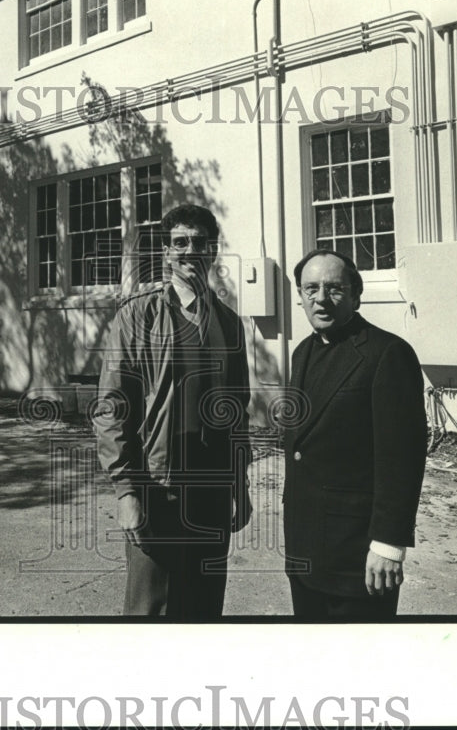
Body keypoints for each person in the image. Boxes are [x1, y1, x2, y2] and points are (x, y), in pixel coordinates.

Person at [94, 203, 252, 619]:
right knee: (152, 607)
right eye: (179, 243)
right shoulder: (137, 315)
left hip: (213, 484)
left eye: (199, 243)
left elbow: (238, 409)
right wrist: (127, 490)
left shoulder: (230, 323)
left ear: (213, 250)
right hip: (159, 479)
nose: (189, 251)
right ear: (166, 252)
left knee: (203, 604)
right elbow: (112, 406)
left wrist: (241, 485)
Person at [283, 249, 426, 619]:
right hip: (305, 550)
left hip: (357, 556)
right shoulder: (301, 354)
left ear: (355, 295)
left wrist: (389, 543)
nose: (320, 298)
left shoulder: (387, 354)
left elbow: (402, 459)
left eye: (334, 288)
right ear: (300, 296)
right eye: (310, 288)